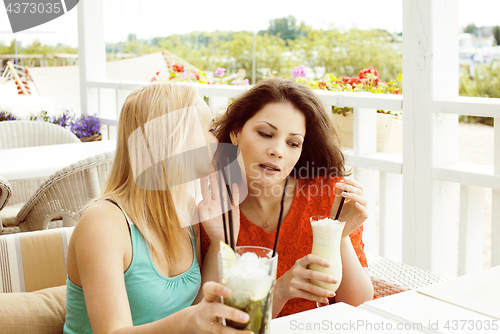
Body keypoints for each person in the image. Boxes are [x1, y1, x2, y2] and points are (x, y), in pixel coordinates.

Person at [64, 82, 252, 334]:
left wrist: (220, 242)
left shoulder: (184, 206)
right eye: (209, 129)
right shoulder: (103, 223)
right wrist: (187, 321)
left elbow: (197, 310)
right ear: (174, 141)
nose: (216, 139)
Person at [200, 78, 374, 318]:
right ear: (235, 133)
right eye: (265, 133)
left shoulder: (329, 195)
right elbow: (215, 321)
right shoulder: (213, 207)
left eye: (293, 143)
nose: (277, 151)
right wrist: (280, 290)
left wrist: (338, 235)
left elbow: (360, 306)